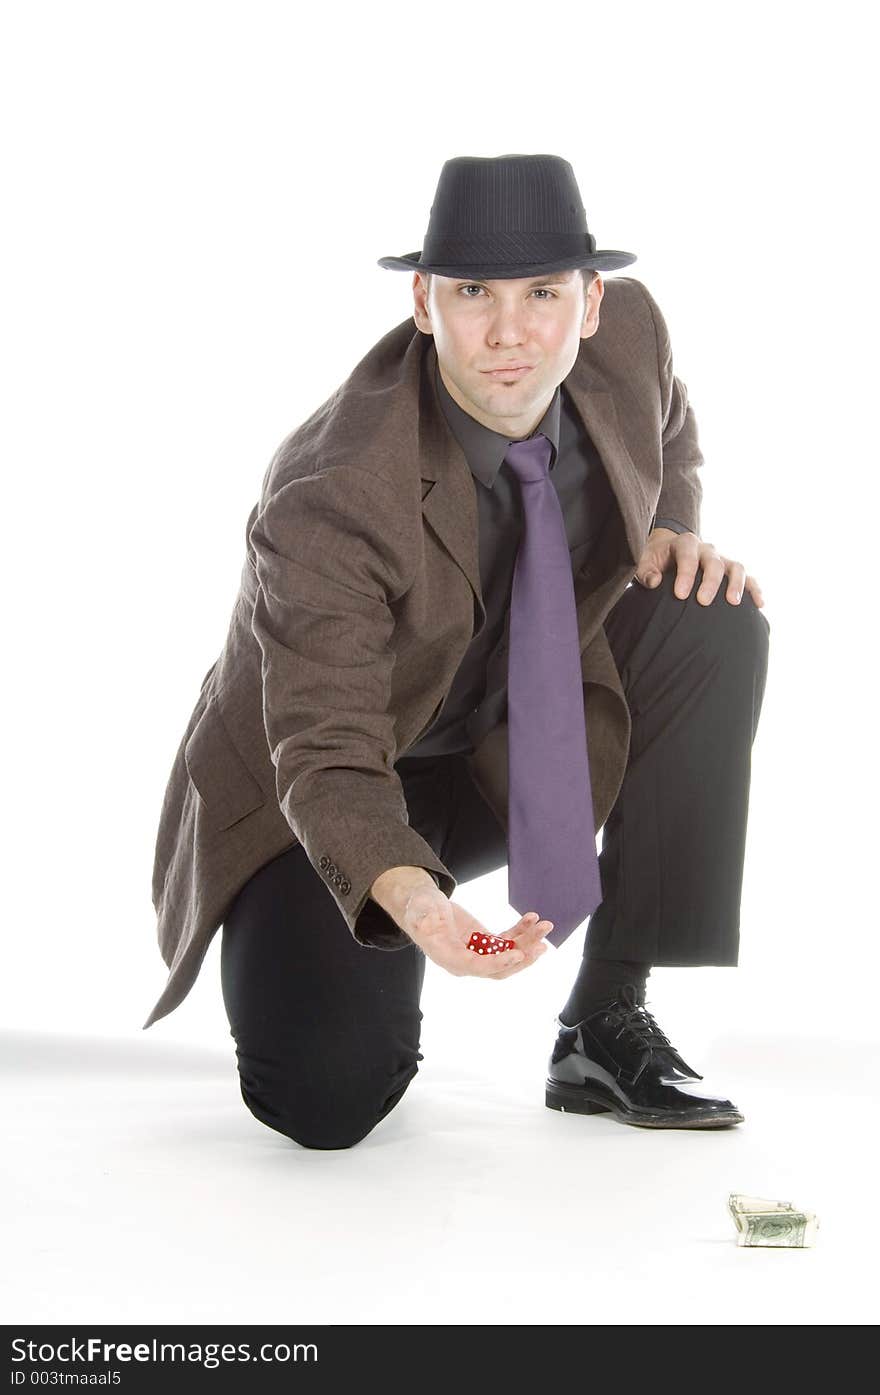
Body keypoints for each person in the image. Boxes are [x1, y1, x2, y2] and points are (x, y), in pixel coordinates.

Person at [144, 154, 770, 1147]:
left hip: (499, 735)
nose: (512, 331)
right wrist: (421, 912)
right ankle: (355, 990)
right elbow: (326, 754)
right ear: (425, 303)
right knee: (325, 1101)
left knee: (711, 613)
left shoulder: (630, 340)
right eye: (473, 291)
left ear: (591, 301)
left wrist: (669, 524)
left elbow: (669, 426)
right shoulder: (332, 496)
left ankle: (606, 1020)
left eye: (542, 294)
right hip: (332, 785)